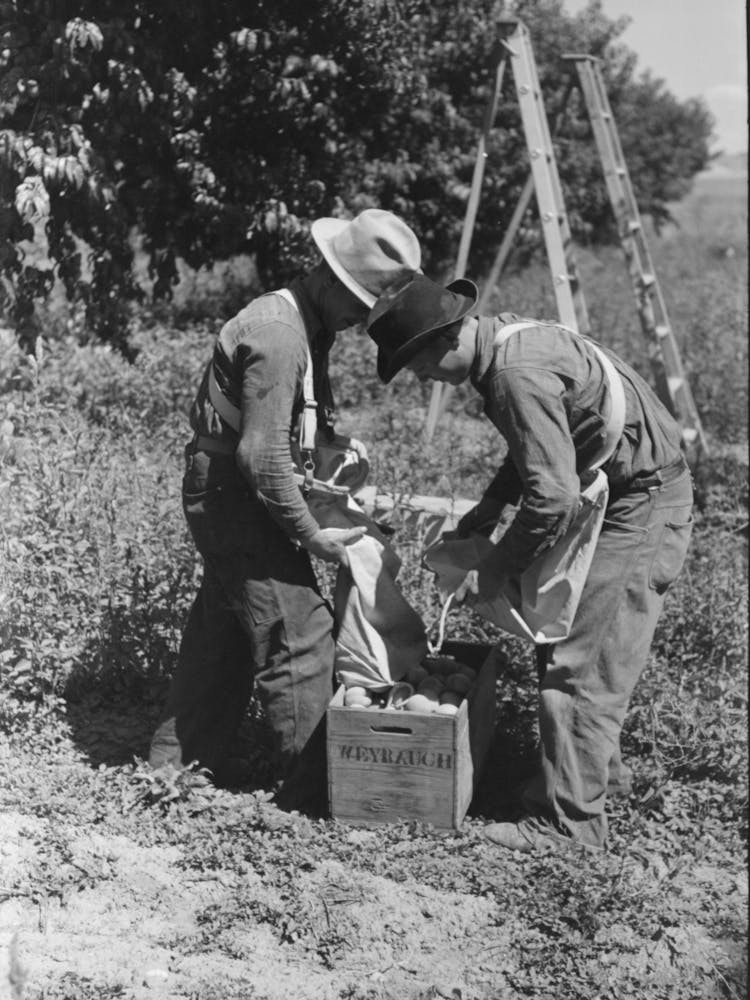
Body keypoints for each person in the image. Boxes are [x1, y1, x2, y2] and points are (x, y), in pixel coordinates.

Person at [365, 272, 694, 852]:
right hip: (620, 493)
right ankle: (596, 780)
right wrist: (487, 513)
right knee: (569, 639)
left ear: (443, 341)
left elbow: (553, 497)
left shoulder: (513, 374)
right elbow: (538, 445)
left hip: (640, 506)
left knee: (578, 666)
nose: (420, 379)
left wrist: (491, 568)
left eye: (416, 365)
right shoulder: (510, 339)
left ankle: (568, 829)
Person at [149, 209, 422, 812]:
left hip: (239, 490)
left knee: (223, 631)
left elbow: (286, 428)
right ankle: (313, 791)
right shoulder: (279, 334)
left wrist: (333, 453)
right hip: (231, 494)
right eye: (357, 302)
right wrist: (313, 535)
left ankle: (172, 767)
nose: (358, 319)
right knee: (301, 632)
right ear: (326, 279)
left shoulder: (309, 323)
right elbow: (261, 457)